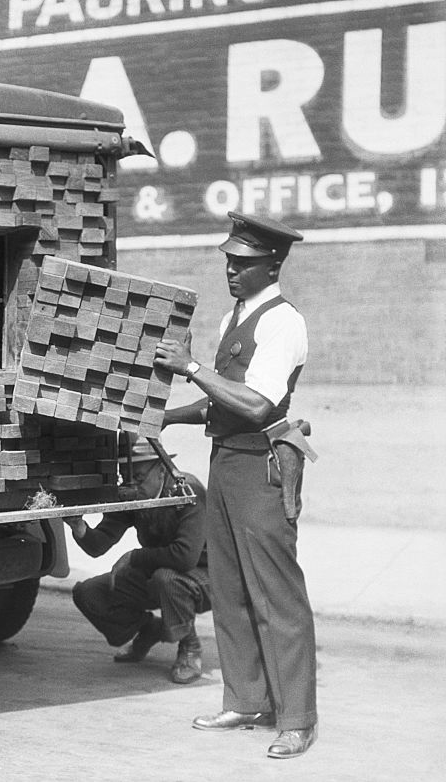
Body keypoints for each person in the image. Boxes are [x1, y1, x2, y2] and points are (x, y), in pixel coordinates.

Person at [154, 212, 318, 760]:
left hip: (261, 468)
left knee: (277, 595)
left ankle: (296, 718)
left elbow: (257, 402)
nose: (231, 270)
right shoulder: (234, 318)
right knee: (230, 591)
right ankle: (246, 699)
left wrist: (193, 365)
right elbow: (221, 399)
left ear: (272, 264)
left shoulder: (282, 322)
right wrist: (167, 416)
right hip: (226, 461)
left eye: (243, 263)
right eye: (228, 260)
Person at [66, 439, 209, 684]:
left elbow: (185, 557)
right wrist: (79, 527)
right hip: (159, 574)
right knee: (90, 592)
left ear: (162, 470)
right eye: (127, 478)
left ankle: (190, 647)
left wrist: (135, 556)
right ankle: (149, 629)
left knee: (167, 579)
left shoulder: (187, 490)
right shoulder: (135, 493)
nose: (133, 485)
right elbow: (98, 544)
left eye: (140, 478)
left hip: (208, 576)